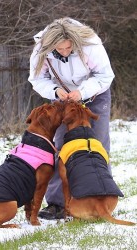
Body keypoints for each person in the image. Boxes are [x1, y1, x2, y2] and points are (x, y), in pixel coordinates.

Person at [28, 17, 115, 220]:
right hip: (62, 99)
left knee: (97, 145)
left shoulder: (90, 43)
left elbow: (105, 75)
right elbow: (37, 79)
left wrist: (82, 92)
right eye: (60, 49)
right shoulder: (41, 49)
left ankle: (102, 198)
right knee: (60, 147)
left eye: (69, 48)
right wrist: (55, 90)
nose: (65, 52)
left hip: (95, 94)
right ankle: (57, 204)